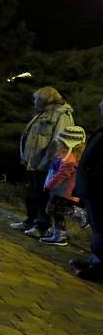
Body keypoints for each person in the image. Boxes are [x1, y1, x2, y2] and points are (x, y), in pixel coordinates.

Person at [11, 86, 74, 238]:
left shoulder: (61, 115)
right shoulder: (43, 113)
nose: (33, 102)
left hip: (45, 165)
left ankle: (42, 226)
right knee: (32, 193)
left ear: (46, 100)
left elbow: (57, 142)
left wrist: (45, 162)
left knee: (42, 195)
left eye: (36, 99)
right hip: (33, 163)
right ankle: (30, 220)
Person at [72, 100, 103, 281]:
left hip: (99, 188)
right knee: (97, 228)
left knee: (101, 229)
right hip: (94, 188)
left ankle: (99, 267)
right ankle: (94, 260)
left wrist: (92, 181)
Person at [40, 126, 85, 246]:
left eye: (61, 141)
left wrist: (49, 186)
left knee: (52, 209)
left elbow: (61, 175)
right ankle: (59, 234)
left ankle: (78, 213)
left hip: (64, 192)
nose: (58, 143)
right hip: (60, 191)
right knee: (54, 210)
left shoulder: (69, 159)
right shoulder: (66, 156)